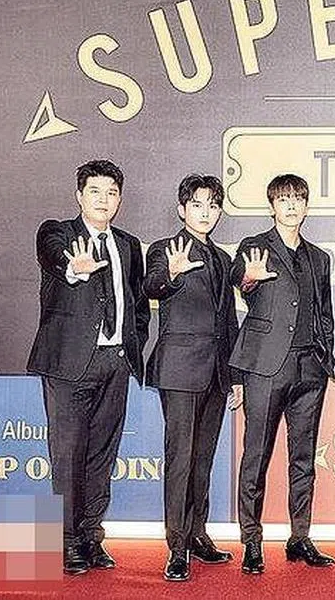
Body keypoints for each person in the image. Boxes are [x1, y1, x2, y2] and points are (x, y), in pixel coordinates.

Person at [27, 159, 149, 575]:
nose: (104, 199)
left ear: (120, 199)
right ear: (79, 195)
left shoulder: (129, 245)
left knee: (101, 456)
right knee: (68, 457)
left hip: (115, 363)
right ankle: (65, 542)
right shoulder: (57, 232)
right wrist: (72, 268)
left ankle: (92, 537)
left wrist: (132, 346)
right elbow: (53, 256)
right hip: (69, 365)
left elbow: (137, 304)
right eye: (95, 191)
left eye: (112, 193)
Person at [230, 174, 335, 573]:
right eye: (284, 199)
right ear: (272, 206)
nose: (291, 206)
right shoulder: (254, 247)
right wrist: (249, 278)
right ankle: (251, 541)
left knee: (303, 458)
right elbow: (241, 280)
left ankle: (299, 537)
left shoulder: (319, 257)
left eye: (298, 199)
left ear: (306, 207)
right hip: (265, 368)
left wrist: (326, 357)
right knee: (256, 456)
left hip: (310, 369)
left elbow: (325, 313)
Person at [143, 174, 241, 582]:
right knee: (180, 459)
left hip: (217, 372)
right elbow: (151, 286)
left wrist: (235, 376)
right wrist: (171, 273)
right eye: (197, 205)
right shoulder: (165, 249)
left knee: (203, 459)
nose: (206, 213)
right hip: (180, 369)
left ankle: (198, 534)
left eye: (213, 206)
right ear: (182, 209)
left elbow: (229, 320)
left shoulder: (222, 258)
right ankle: (177, 546)